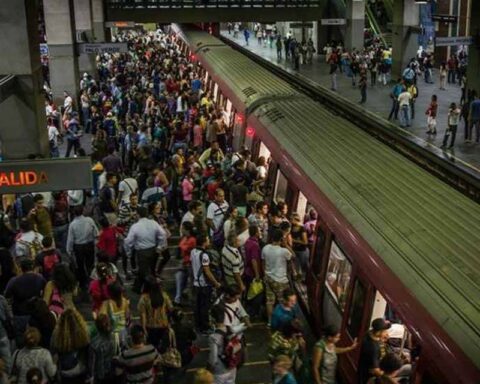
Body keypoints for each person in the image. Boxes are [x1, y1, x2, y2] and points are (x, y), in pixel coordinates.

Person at [123, 206, 168, 293]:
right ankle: (138, 288)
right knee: (149, 270)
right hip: (153, 250)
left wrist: (128, 252)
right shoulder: (153, 223)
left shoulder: (135, 226)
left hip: (142, 252)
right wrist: (159, 247)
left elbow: (128, 241)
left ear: (138, 215)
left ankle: (154, 289)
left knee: (145, 272)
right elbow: (163, 234)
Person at [262, 229, 295, 322]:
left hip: (268, 278)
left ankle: (270, 321)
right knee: (283, 301)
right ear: (281, 239)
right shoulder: (283, 251)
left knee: (269, 301)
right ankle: (284, 322)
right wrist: (287, 245)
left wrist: (265, 274)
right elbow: (294, 256)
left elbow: (263, 263)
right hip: (280, 280)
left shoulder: (265, 248)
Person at [50, 308, 90, 383]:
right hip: (81, 370)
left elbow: (53, 353)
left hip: (64, 372)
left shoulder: (56, 334)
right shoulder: (83, 332)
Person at [191, 234, 221, 334]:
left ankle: (198, 325)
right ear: (204, 242)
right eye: (207, 239)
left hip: (196, 283)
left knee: (198, 306)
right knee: (205, 306)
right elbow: (207, 271)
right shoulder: (204, 255)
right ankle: (205, 326)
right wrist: (216, 283)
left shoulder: (193, 251)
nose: (209, 241)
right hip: (203, 284)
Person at [66, 205, 99, 290]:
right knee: (90, 264)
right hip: (89, 245)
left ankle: (83, 283)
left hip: (78, 247)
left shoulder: (72, 224)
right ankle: (93, 281)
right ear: (83, 211)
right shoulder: (89, 220)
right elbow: (96, 233)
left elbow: (70, 239)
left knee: (80, 265)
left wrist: (69, 251)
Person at [138, 276, 173, 351]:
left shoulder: (144, 298)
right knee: (163, 347)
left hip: (150, 327)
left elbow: (143, 315)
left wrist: (144, 329)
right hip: (163, 324)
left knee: (152, 348)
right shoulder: (164, 295)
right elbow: (170, 308)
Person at [208, 304, 238, 384]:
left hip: (219, 371)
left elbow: (213, 359)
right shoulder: (231, 330)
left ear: (213, 319)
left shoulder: (213, 337)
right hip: (232, 368)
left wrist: (208, 369)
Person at [357, 318, 391, 384]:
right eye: (385, 331)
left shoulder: (369, 333)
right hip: (367, 377)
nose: (387, 334)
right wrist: (389, 378)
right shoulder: (373, 348)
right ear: (378, 332)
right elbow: (376, 370)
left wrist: (382, 339)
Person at [99, 281, 130, 350]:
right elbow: (127, 317)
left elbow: (102, 320)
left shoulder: (106, 304)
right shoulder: (124, 301)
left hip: (112, 335)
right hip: (123, 333)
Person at [89, 314, 117, 384]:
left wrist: (91, 377)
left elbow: (91, 365)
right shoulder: (114, 338)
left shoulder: (93, 343)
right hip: (113, 373)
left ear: (97, 326)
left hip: (100, 377)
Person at [174, 221, 196, 306]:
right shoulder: (185, 238)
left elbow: (184, 248)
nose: (181, 229)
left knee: (191, 284)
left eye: (182, 228)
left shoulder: (192, 240)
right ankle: (177, 299)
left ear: (187, 230)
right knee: (179, 278)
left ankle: (192, 301)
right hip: (184, 263)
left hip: (190, 264)